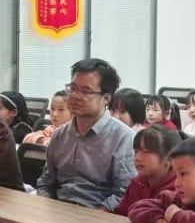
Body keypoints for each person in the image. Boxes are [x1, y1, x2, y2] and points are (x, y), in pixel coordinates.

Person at [37, 58, 135, 211]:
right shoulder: (60, 134)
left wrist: (94, 217)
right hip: (58, 210)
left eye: (86, 91)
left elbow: (124, 193)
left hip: (98, 215)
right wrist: (45, 209)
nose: (75, 96)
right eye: (73, 88)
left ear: (106, 98)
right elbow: (45, 182)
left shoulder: (124, 138)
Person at [112, 126, 180, 217]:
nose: (137, 158)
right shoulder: (137, 183)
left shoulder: (180, 189)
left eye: (146, 152)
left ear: (169, 158)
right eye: (136, 151)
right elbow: (121, 215)